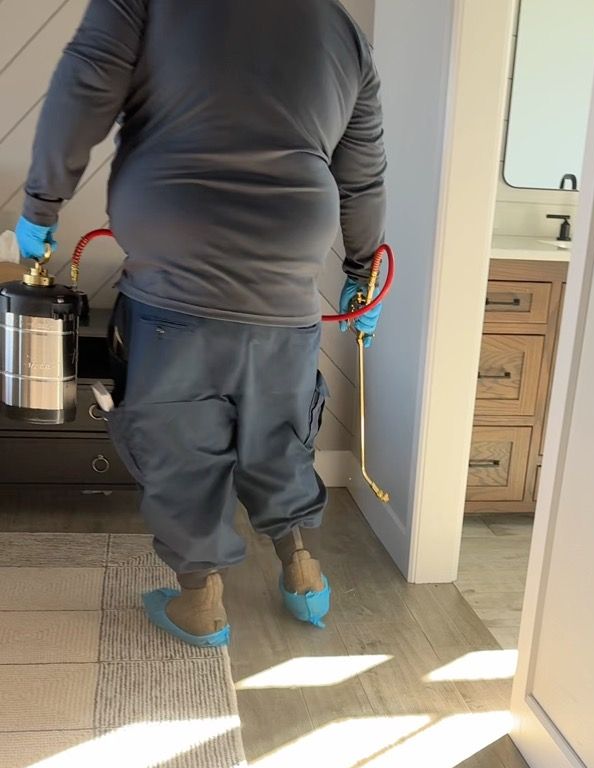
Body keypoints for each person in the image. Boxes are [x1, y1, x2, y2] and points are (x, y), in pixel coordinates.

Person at [16, 0, 387, 646]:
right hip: (287, 282)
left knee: (180, 436)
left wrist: (41, 207)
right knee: (280, 425)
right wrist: (362, 272)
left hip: (176, 273)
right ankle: (302, 573)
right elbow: (362, 177)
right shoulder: (341, 30)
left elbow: (84, 85)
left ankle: (202, 603)